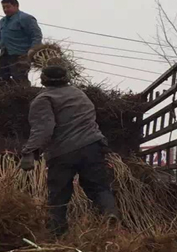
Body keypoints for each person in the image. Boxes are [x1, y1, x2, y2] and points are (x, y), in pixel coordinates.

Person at [19, 63, 117, 236]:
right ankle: (109, 213)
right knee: (99, 188)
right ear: (67, 78)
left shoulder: (44, 99)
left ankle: (57, 234)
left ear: (43, 80)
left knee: (59, 194)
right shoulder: (80, 94)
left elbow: (44, 129)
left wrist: (29, 151)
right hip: (93, 146)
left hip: (64, 152)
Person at [0, 0, 42, 84]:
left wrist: (33, 50)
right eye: (3, 7)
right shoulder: (2, 22)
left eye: (8, 7)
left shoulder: (25, 18)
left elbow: (36, 35)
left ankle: (24, 95)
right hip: (5, 54)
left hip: (20, 55)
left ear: (16, 6)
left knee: (19, 79)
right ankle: (4, 96)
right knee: (0, 79)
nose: (5, 10)